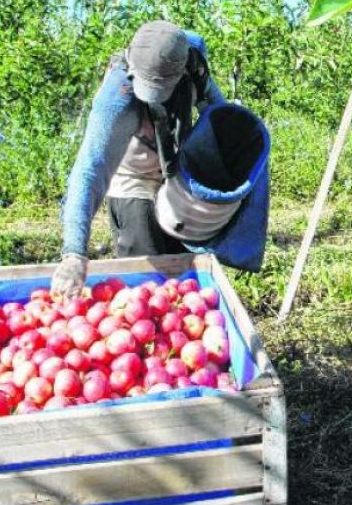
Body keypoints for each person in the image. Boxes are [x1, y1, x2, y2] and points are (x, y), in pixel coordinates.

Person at [51, 20, 270, 298]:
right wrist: (74, 253)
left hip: (175, 179)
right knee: (147, 287)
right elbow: (90, 168)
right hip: (133, 182)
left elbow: (218, 112)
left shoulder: (192, 63)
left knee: (182, 282)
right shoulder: (117, 97)